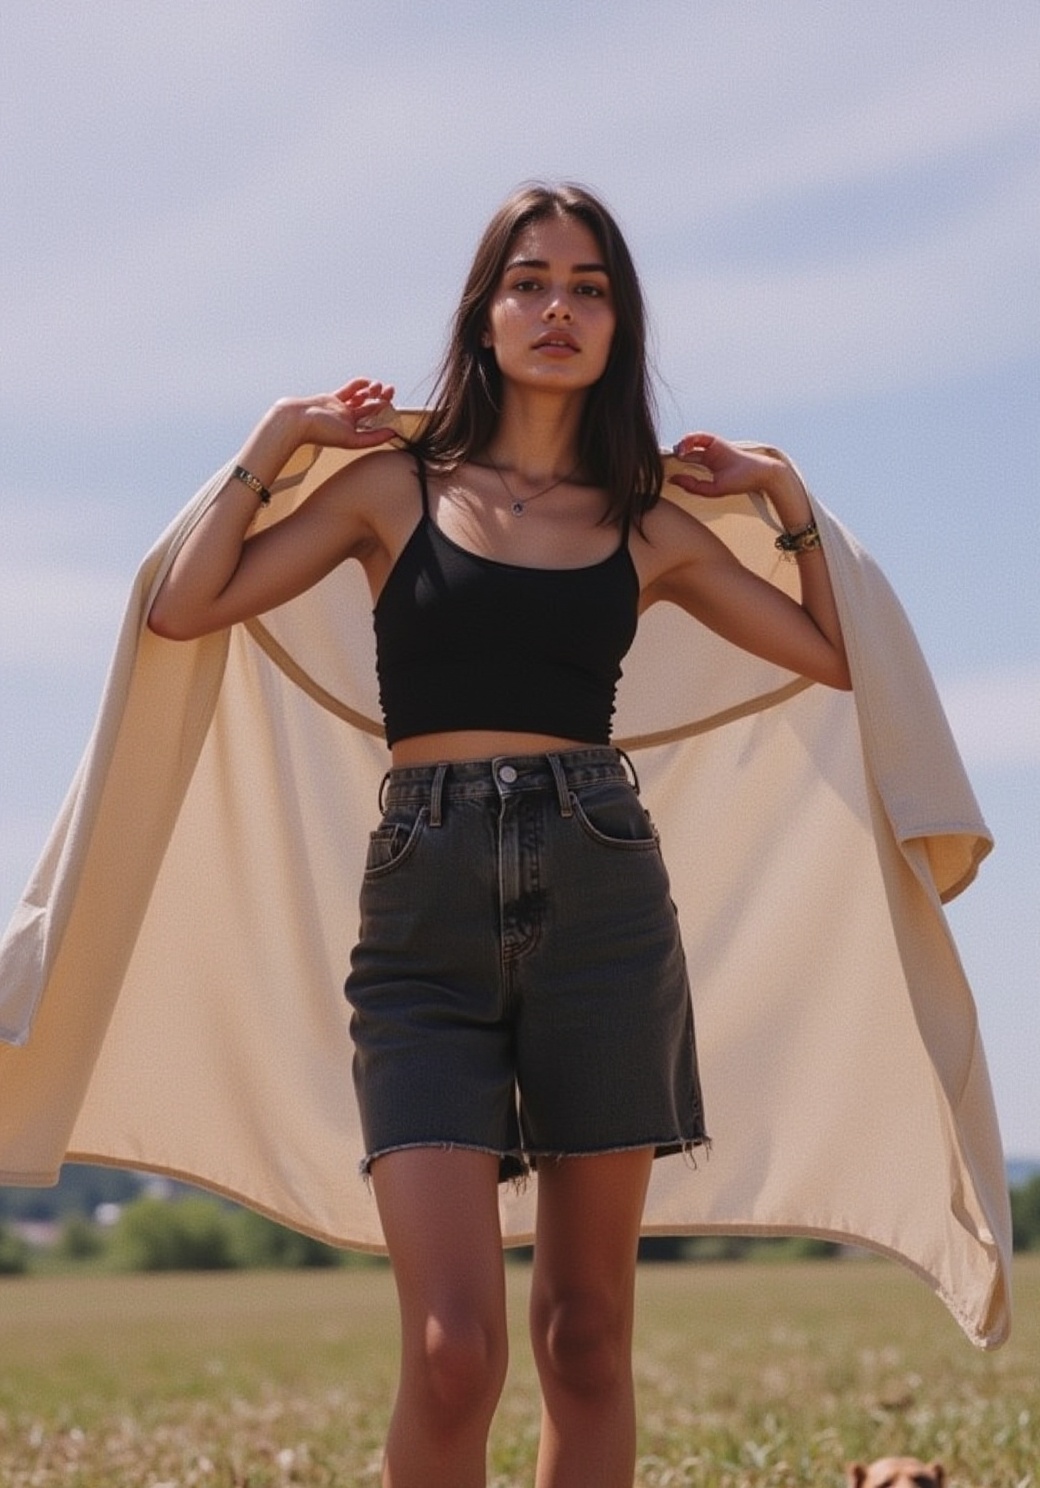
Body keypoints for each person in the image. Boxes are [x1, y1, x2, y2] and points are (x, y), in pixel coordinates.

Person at [147, 182, 850, 1488]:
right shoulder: (387, 491)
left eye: (591, 289)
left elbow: (833, 654)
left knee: (586, 1337)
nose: (560, 309)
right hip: (423, 916)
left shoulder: (648, 525)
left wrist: (788, 499)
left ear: (618, 327)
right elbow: (187, 606)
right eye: (531, 281)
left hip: (604, 902)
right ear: (482, 315)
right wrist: (270, 442)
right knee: (453, 1345)